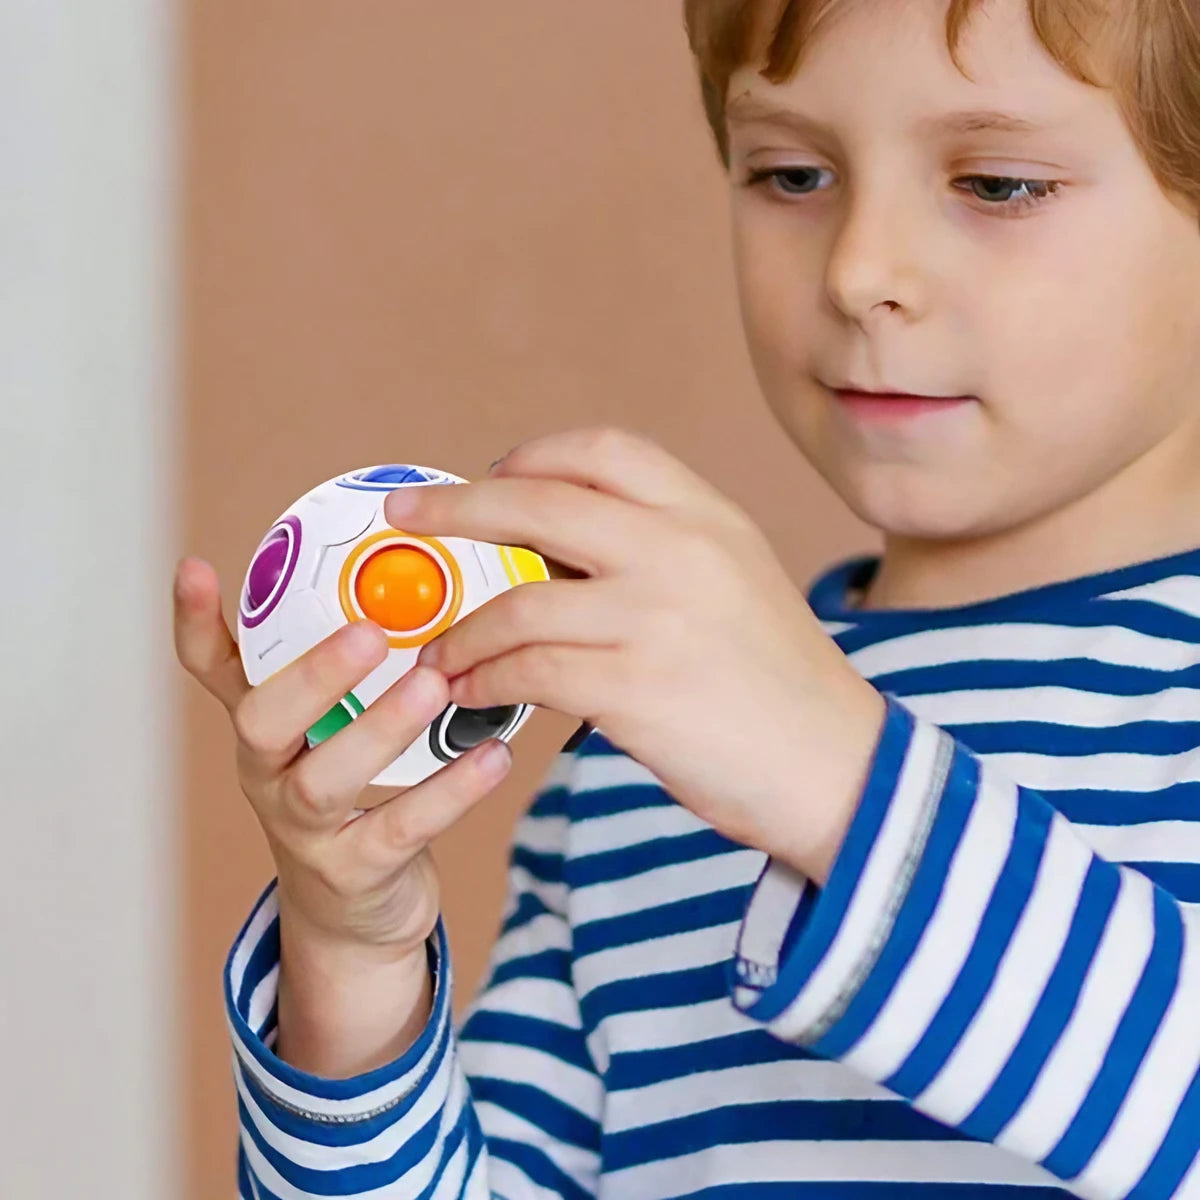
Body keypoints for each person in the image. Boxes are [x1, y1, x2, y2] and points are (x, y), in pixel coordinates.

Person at [173, 0, 1200, 1194]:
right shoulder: (637, 763)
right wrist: (353, 958)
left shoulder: (751, 732)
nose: (861, 269)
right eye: (793, 170)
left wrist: (839, 785)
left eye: (1000, 184)